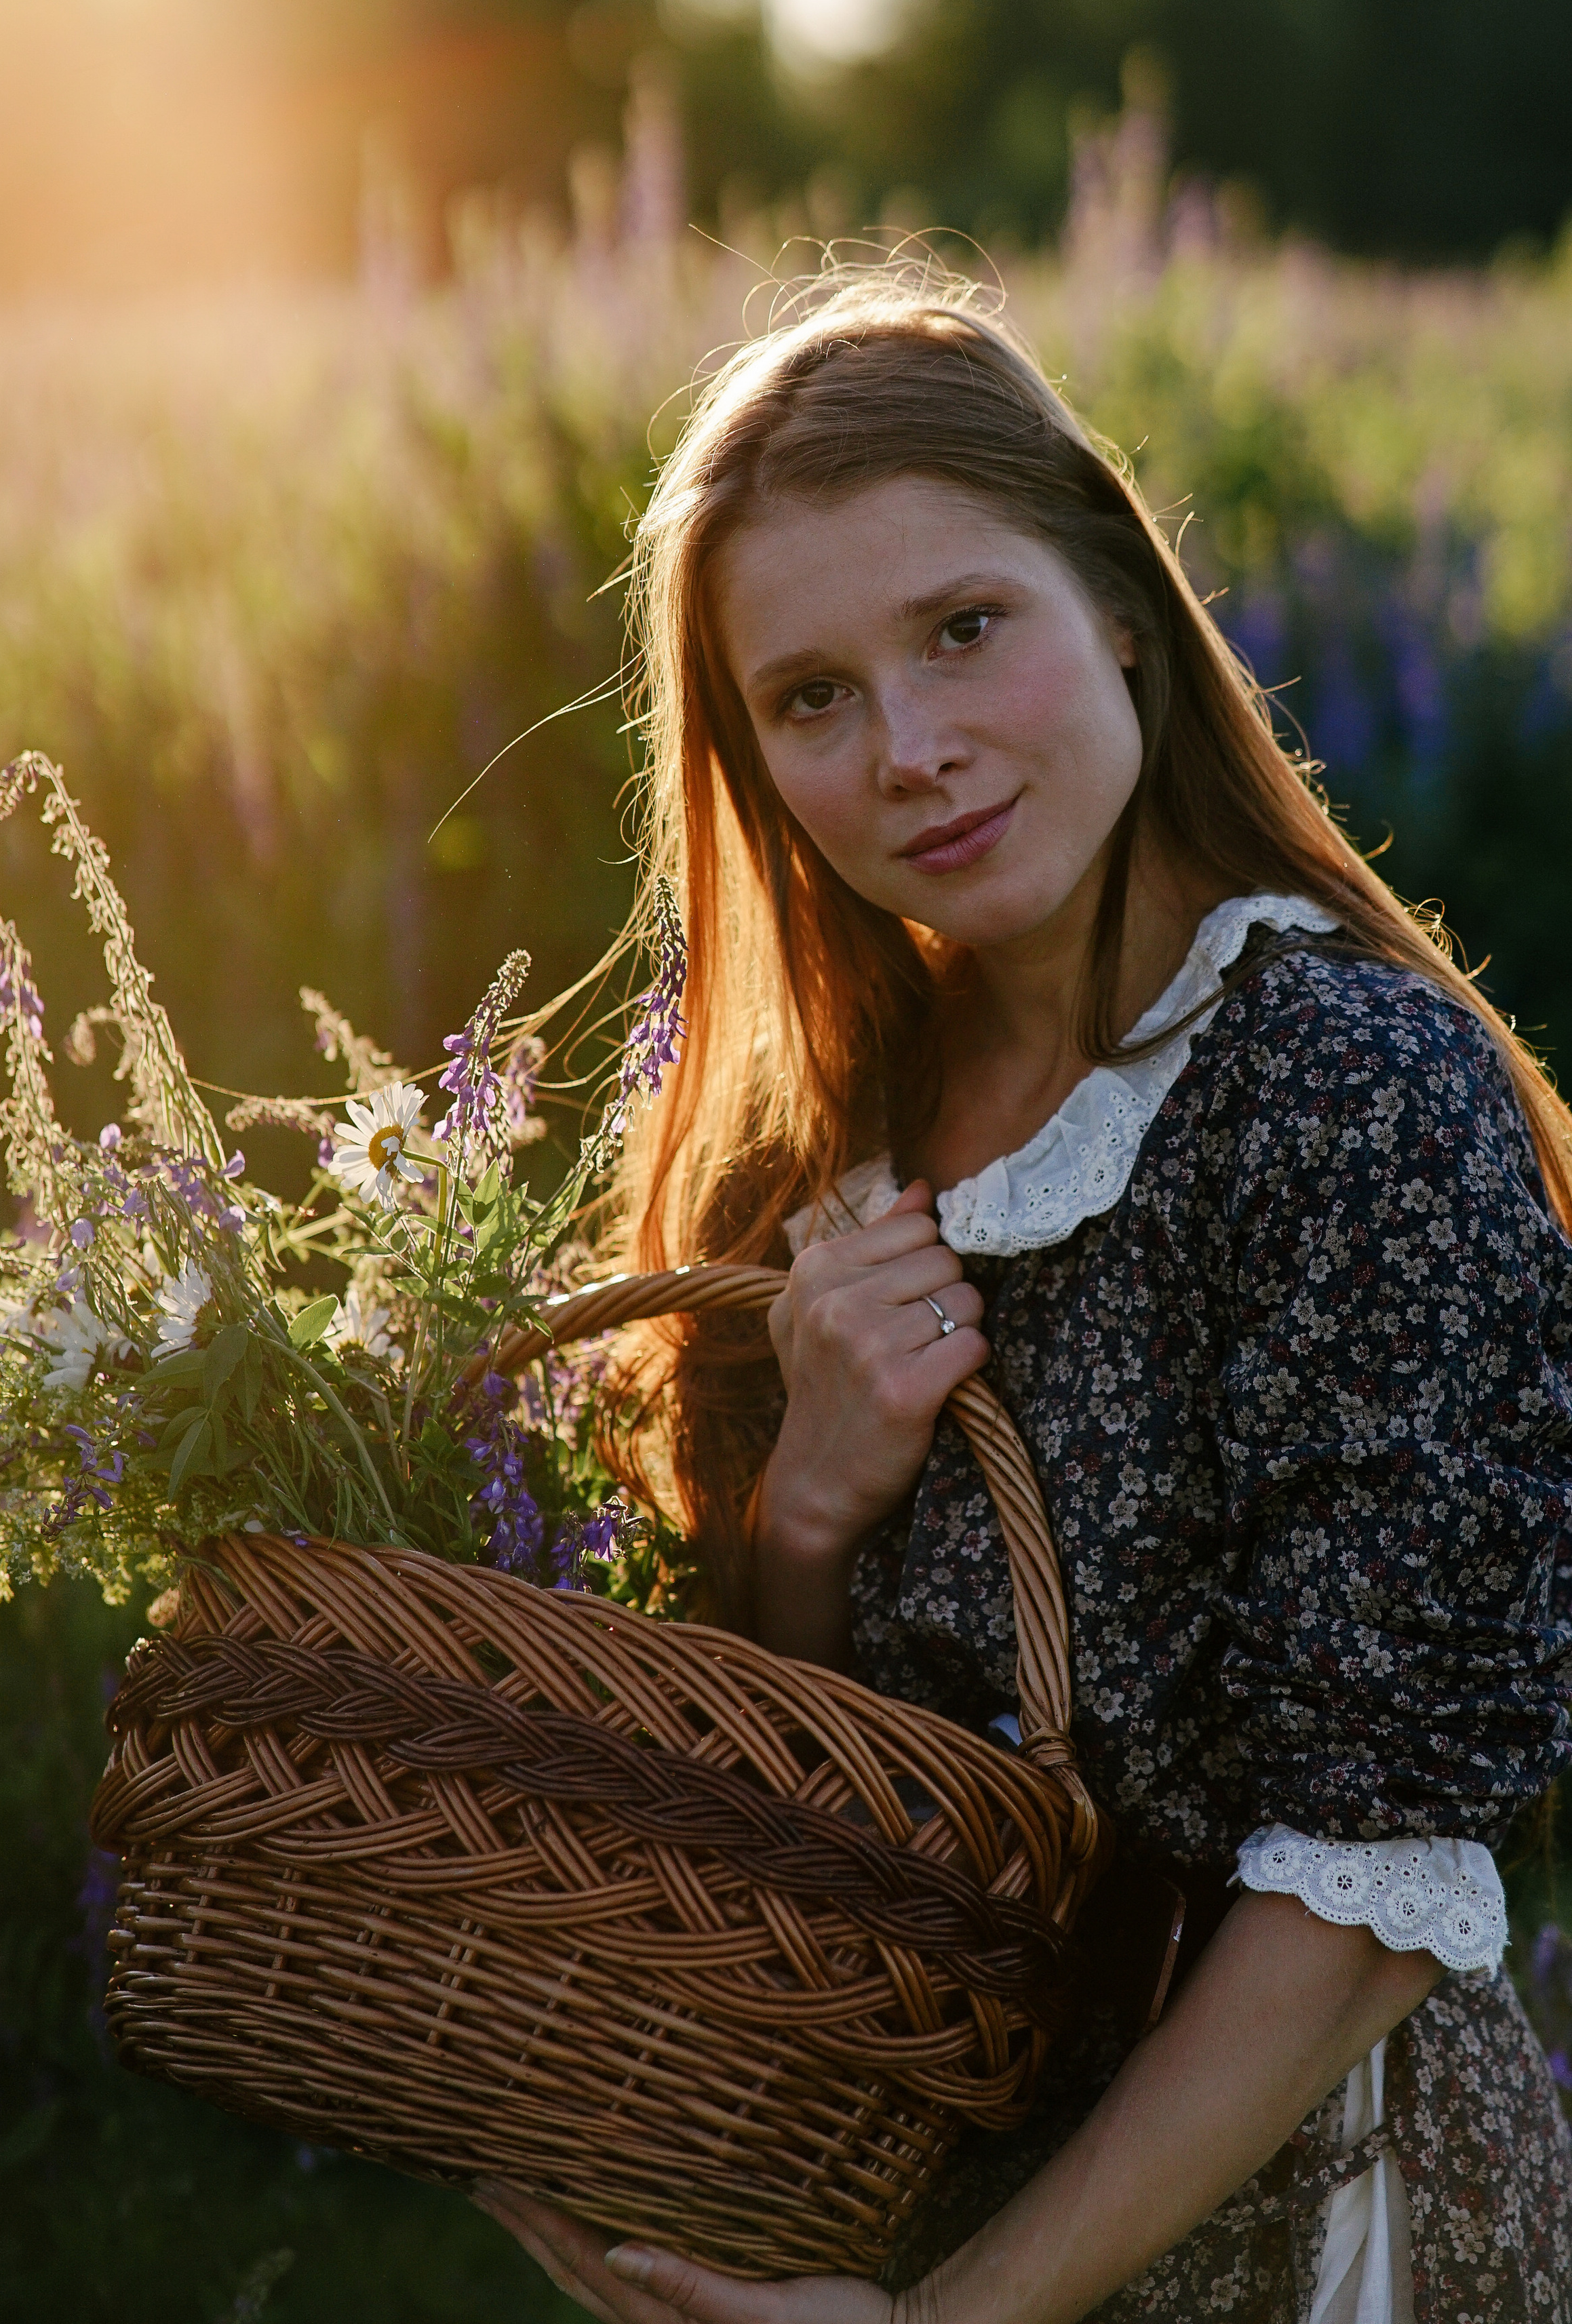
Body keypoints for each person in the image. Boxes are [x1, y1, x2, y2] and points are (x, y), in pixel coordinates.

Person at [477, 264, 1572, 2323]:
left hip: (1300, 2224)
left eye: (965, 631)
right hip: (899, 2190)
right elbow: (791, 1791)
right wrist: (810, 1507)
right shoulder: (824, 1140)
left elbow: (1373, 1879)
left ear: (1124, 613)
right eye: (811, 698)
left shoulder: (1341, 1096)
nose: (910, 752)